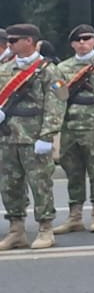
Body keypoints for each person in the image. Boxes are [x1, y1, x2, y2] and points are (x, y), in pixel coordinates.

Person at [48, 25, 94, 234]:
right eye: (78, 40)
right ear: (72, 44)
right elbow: (58, 98)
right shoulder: (62, 68)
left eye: (87, 38)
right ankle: (75, 216)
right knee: (73, 173)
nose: (82, 43)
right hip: (69, 128)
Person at [0, 24, 62, 249]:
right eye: (9, 41)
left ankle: (46, 228)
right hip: (7, 137)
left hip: (34, 138)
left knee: (40, 184)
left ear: (29, 41)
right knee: (9, 185)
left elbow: (56, 104)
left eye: (14, 40)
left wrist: (47, 136)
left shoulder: (49, 70)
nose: (10, 44)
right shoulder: (5, 69)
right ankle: (16, 230)